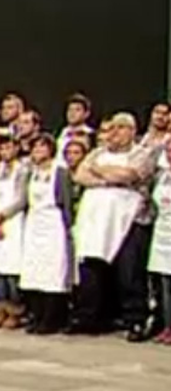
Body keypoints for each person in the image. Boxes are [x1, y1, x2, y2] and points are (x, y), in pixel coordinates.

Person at [70, 112, 156, 340]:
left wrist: (98, 171)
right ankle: (93, 317)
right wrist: (109, 177)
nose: (114, 133)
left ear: (132, 131)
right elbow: (80, 175)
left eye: (120, 127)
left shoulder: (142, 154)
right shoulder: (98, 153)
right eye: (111, 128)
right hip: (98, 222)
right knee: (94, 269)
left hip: (129, 221)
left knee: (129, 273)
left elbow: (128, 175)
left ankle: (135, 319)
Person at [20, 136, 75, 335]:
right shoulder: (31, 173)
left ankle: (52, 319)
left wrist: (68, 228)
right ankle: (37, 314)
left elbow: (66, 201)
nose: (37, 150)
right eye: (34, 147)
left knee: (53, 271)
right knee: (34, 270)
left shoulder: (60, 172)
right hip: (34, 223)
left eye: (42, 147)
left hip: (54, 223)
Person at [0, 134, 31, 329]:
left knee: (12, 268)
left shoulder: (23, 170)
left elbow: (21, 199)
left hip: (13, 221)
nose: (5, 152)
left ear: (16, 149)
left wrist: (3, 216)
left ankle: (15, 311)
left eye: (9, 148)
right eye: (2, 148)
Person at [148, 143, 171, 343]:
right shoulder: (162, 175)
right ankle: (167, 326)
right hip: (162, 232)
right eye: (169, 150)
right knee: (164, 283)